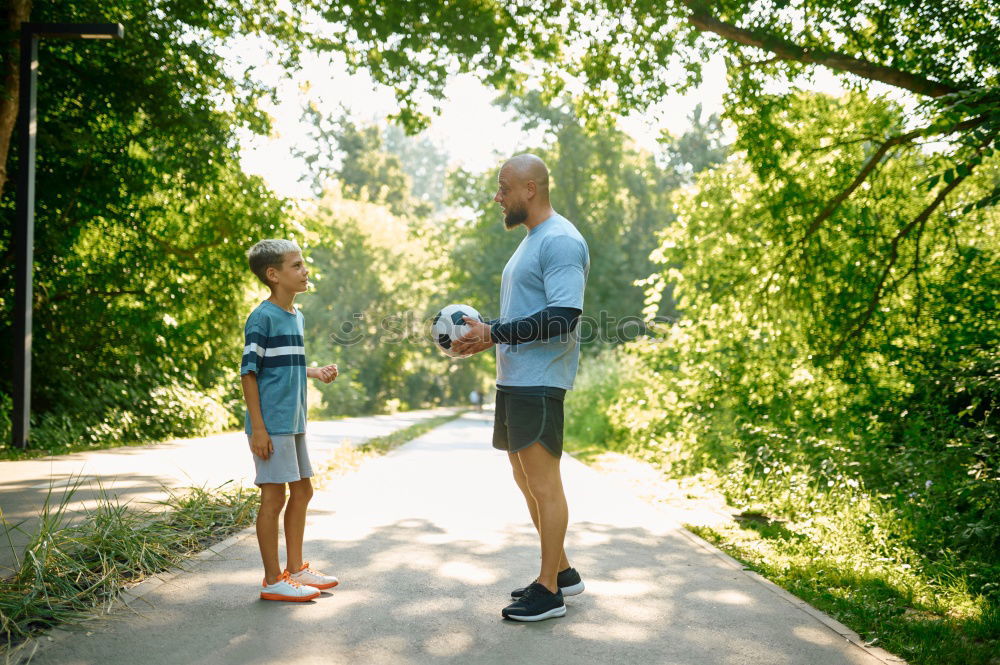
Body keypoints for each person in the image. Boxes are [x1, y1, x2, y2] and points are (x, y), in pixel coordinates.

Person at [451, 154, 590, 622]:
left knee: (545, 485)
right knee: (525, 479)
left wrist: (495, 333)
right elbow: (525, 315)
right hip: (514, 381)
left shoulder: (562, 241)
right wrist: (486, 331)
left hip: (541, 381)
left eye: (503, 187)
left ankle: (549, 591)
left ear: (530, 189)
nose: (497, 196)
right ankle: (564, 571)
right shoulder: (531, 242)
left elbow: (563, 317)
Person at [240, 238, 341, 602]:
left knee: (303, 490)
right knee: (273, 499)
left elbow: (284, 363)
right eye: (296, 266)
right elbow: (249, 373)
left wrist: (314, 372)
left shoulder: (296, 316)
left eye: (303, 264)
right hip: (273, 424)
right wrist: (260, 428)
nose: (305, 271)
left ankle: (296, 568)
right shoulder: (262, 317)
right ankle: (272, 580)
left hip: (295, 421)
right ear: (274, 275)